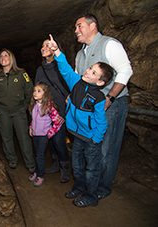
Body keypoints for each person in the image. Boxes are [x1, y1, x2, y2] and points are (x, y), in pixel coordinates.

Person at [48, 34, 114, 207]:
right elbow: (65, 70)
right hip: (77, 135)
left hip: (91, 138)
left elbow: (101, 122)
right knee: (77, 165)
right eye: (90, 68)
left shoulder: (99, 98)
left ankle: (91, 196)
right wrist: (56, 51)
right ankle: (79, 188)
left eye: (93, 72)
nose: (88, 71)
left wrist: (96, 139)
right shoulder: (76, 83)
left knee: (92, 169)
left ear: (100, 82)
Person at [74, 14, 133, 199]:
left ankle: (101, 189)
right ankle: (91, 186)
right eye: (75, 28)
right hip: (91, 109)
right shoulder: (80, 53)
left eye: (79, 26)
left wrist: (109, 98)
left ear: (93, 26)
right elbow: (79, 81)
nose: (76, 31)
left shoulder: (109, 44)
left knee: (107, 149)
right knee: (92, 149)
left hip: (113, 104)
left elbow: (126, 70)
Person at [0, 48, 36, 173]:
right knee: (6, 137)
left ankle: (30, 163)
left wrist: (24, 106)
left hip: (18, 111)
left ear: (11, 58)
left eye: (6, 55)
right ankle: (12, 160)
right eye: (1, 56)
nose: (3, 58)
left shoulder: (21, 74)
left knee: (24, 137)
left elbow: (30, 90)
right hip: (3, 112)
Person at [34, 38, 71, 183]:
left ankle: (65, 168)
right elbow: (38, 91)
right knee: (50, 140)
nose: (44, 47)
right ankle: (56, 164)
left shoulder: (61, 67)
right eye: (42, 45)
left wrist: (63, 113)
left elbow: (68, 91)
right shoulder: (39, 70)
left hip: (59, 111)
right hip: (45, 113)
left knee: (59, 141)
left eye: (47, 45)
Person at [28, 82, 62, 186]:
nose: (35, 93)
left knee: (39, 156)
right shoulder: (34, 105)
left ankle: (40, 176)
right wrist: (30, 127)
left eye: (39, 91)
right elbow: (34, 119)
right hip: (35, 134)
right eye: (34, 90)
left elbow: (58, 122)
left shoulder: (49, 107)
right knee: (37, 154)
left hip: (43, 135)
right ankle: (37, 172)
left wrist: (50, 133)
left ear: (45, 93)